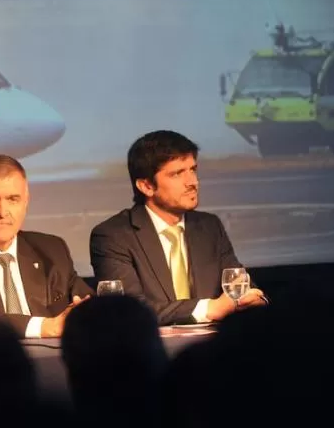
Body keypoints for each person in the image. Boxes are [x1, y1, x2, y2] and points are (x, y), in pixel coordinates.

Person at [90, 130, 267, 325]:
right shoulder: (113, 236)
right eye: (177, 174)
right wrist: (211, 308)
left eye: (193, 169)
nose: (193, 182)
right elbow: (128, 310)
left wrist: (254, 299)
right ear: (146, 186)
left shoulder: (209, 227)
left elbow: (240, 286)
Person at [0, 154, 93, 338]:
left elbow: (88, 305)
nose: (2, 212)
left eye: (13, 199)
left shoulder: (52, 249)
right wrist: (44, 327)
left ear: (26, 202)